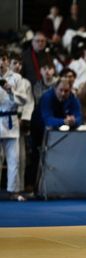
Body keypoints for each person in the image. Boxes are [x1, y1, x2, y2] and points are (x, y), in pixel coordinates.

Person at [0, 49, 27, 200]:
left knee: (14, 158)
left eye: (3, 59)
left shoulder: (16, 78)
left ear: (7, 60)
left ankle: (13, 191)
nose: (1, 63)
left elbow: (24, 100)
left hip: (11, 120)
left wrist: (10, 91)